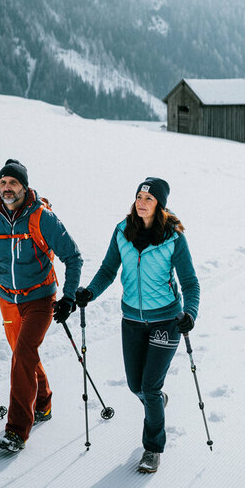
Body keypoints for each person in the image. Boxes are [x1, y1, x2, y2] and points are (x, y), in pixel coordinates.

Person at [0, 158, 82, 453]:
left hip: (39, 298)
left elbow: (73, 257)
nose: (7, 188)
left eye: (13, 183)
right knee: (24, 354)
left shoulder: (41, 217)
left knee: (22, 355)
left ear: (25, 186)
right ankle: (43, 402)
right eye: (3, 183)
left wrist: (68, 297)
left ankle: (17, 429)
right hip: (8, 298)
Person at [75, 177, 199, 473]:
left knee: (149, 387)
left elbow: (190, 282)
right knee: (136, 386)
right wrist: (90, 291)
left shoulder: (174, 238)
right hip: (131, 320)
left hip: (166, 320)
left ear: (160, 205)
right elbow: (108, 269)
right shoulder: (122, 232)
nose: (141, 202)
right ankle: (158, 402)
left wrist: (190, 313)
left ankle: (153, 448)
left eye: (149, 198)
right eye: (139, 196)